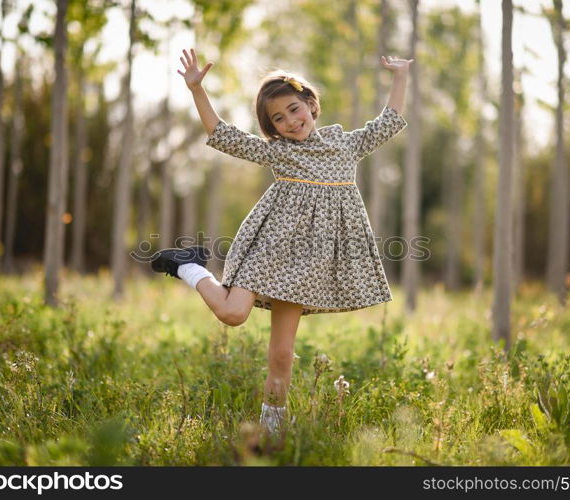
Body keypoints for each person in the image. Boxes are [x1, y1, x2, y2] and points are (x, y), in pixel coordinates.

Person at [153, 48, 412, 439]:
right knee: (233, 315)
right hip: (269, 248)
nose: (291, 121)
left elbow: (389, 122)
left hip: (306, 265)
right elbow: (223, 135)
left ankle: (273, 428)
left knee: (281, 352)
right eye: (278, 118)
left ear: (310, 103)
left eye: (294, 109)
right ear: (272, 128)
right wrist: (196, 90)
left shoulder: (345, 146)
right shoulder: (280, 152)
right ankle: (187, 266)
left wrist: (400, 76)